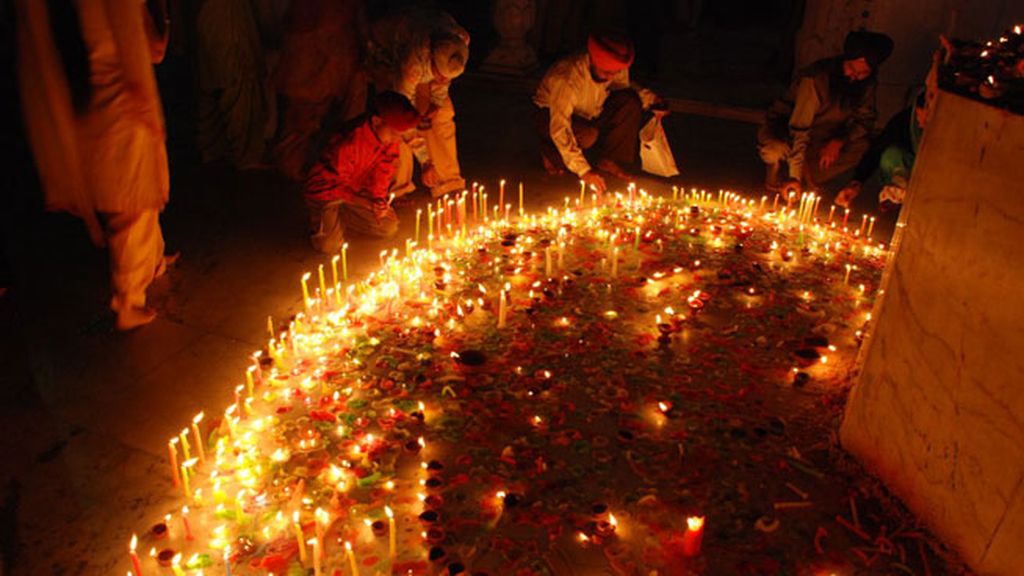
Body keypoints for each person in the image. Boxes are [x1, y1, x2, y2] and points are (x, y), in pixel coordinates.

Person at [16, 0, 176, 330]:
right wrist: (145, 104)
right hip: (120, 101)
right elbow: (137, 42)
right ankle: (128, 302)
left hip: (95, 104)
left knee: (138, 195)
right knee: (131, 204)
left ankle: (152, 261)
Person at [758, 30, 894, 193]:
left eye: (862, 73)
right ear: (845, 60)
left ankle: (804, 176)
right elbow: (799, 129)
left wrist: (839, 141)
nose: (854, 76)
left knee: (864, 146)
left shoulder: (865, 84)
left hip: (823, 137)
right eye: (851, 68)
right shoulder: (816, 79)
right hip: (786, 132)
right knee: (776, 150)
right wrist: (795, 176)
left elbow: (866, 120)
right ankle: (786, 174)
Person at [533, 31, 667, 194]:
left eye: (615, 72)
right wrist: (584, 171)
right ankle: (550, 152)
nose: (612, 76)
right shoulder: (568, 77)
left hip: (591, 114)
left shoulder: (614, 68)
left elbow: (623, 87)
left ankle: (609, 160)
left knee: (629, 102)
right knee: (588, 136)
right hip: (550, 118)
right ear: (594, 61)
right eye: (607, 72)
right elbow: (559, 126)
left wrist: (652, 101)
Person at [367, 7, 469, 199]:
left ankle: (447, 182)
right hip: (387, 54)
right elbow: (401, 114)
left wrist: (435, 105)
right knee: (398, 124)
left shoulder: (460, 40)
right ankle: (398, 187)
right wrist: (424, 161)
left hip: (419, 44)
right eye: (437, 75)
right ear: (430, 60)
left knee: (444, 112)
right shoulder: (411, 64)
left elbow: (443, 81)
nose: (441, 79)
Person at [303, 92, 419, 254]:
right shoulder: (349, 143)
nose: (397, 140)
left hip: (354, 190)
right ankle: (322, 218)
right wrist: (365, 203)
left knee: (388, 227)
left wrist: (378, 201)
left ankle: (341, 218)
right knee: (329, 246)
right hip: (326, 193)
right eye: (394, 133)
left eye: (400, 135)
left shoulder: (387, 139)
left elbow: (384, 171)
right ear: (377, 121)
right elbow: (335, 187)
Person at [271, 0, 368, 180]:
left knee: (334, 120)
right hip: (309, 64)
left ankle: (341, 168)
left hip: (333, 60)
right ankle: (301, 173)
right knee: (301, 123)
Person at [195, 0, 275, 168]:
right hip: (233, 40)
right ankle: (247, 167)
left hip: (208, 31)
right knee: (241, 92)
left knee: (213, 137)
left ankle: (217, 169)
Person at [835, 91, 927, 210]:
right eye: (918, 118)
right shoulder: (905, 121)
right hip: (910, 166)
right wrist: (857, 182)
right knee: (891, 156)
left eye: (924, 119)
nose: (920, 124)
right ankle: (897, 192)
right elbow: (878, 148)